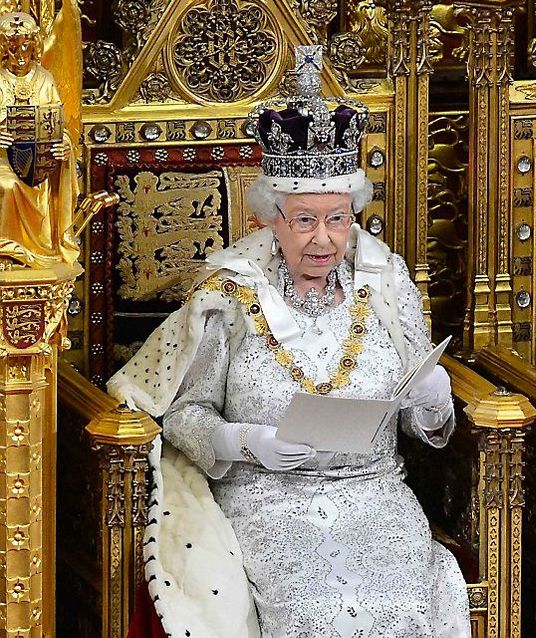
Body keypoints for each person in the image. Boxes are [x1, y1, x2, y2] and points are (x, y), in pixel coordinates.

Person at [108, 48, 470, 638]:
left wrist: (432, 397)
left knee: (398, 609)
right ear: (270, 221)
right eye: (304, 220)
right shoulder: (228, 295)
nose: (323, 238)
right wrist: (243, 440)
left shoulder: (387, 285)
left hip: (375, 495)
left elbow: (425, 428)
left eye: (337, 218)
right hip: (268, 500)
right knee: (314, 611)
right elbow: (182, 413)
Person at [0, 11, 77, 266]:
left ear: (34, 47)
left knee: (36, 182)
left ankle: (39, 249)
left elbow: (57, 126)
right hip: (2, 162)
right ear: (3, 48)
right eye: (13, 49)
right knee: (7, 187)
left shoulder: (44, 79)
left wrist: (64, 145)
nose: (20, 55)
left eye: (25, 47)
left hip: (36, 165)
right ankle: (7, 251)